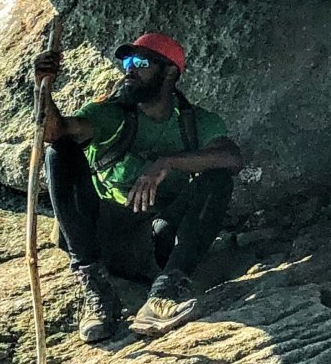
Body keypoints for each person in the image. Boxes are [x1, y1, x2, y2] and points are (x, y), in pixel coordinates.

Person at [30, 29, 242, 342]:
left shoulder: (196, 121)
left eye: (141, 61)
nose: (129, 68)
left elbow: (231, 158)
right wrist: (41, 89)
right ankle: (97, 291)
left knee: (218, 176)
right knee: (59, 151)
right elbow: (53, 131)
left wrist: (167, 162)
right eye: (127, 61)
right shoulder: (110, 114)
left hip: (155, 240)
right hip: (102, 234)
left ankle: (165, 294)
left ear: (170, 72)